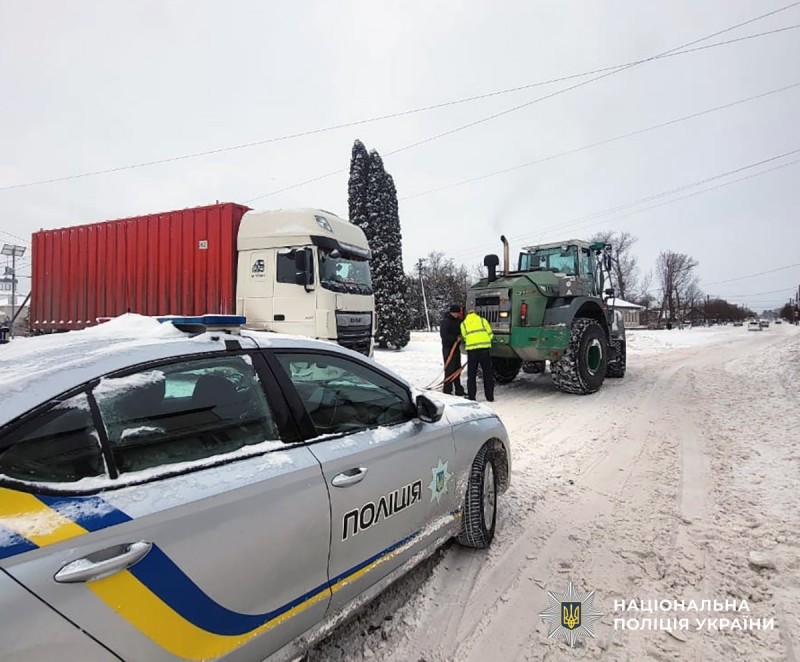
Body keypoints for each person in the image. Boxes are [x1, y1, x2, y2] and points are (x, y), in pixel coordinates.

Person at [460, 308, 495, 402]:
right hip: (484, 350)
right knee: (487, 373)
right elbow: (490, 334)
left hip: (472, 352)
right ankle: (490, 397)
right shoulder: (483, 320)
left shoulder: (463, 324)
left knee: (471, 375)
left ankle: (471, 396)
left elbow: (464, 336)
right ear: (476, 314)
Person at [439, 304, 465, 396]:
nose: (458, 315)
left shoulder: (458, 321)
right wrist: (455, 338)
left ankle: (458, 389)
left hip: (456, 348)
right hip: (448, 348)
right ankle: (447, 389)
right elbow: (444, 335)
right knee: (449, 368)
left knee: (457, 368)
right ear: (453, 313)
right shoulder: (446, 322)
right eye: (457, 313)